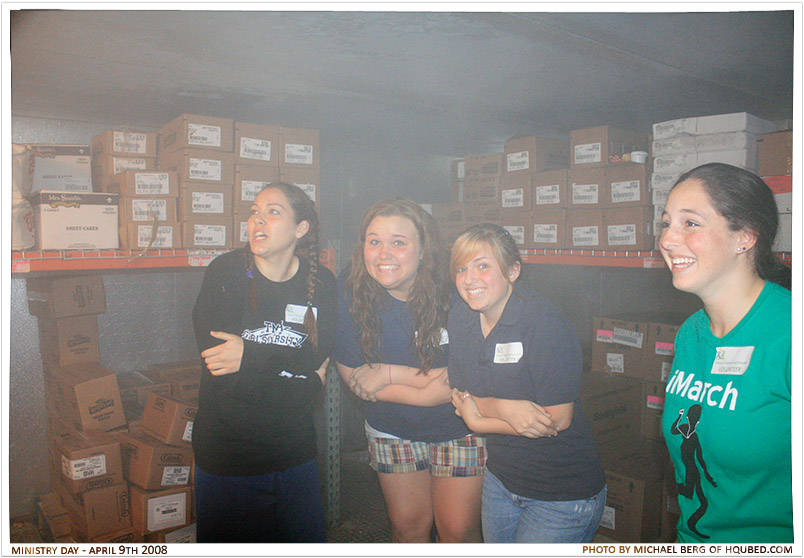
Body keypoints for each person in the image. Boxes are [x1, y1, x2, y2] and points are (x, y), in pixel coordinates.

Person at [333, 198, 486, 543]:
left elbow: (462, 381)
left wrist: (387, 373)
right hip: (391, 427)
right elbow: (354, 377)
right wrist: (430, 385)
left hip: (459, 424)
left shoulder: (457, 289)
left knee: (458, 531)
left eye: (398, 242)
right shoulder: (349, 290)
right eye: (374, 241)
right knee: (407, 528)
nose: (383, 253)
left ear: (423, 250)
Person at [191, 182, 337, 543]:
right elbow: (223, 369)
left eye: (273, 211)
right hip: (229, 456)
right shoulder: (224, 273)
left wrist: (249, 355)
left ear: (300, 229)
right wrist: (301, 383)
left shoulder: (323, 284)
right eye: (255, 210)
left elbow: (317, 359)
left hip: (295, 454)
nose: (257, 219)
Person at [448, 223, 607, 544]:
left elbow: (556, 419)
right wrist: (500, 409)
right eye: (461, 269)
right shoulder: (462, 315)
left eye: (483, 266)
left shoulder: (544, 324)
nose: (469, 279)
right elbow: (459, 390)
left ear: (512, 271)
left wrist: (477, 416)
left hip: (561, 494)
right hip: (501, 480)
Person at [659, 163, 792, 543]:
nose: (668, 239)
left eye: (690, 223)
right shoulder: (691, 334)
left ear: (745, 237)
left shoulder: (787, 334)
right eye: (666, 223)